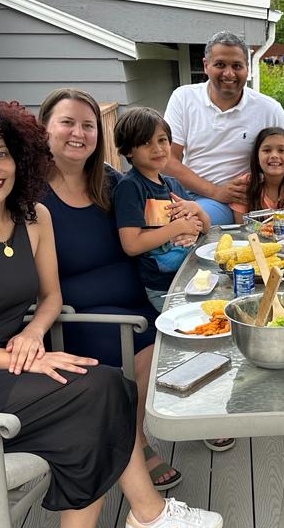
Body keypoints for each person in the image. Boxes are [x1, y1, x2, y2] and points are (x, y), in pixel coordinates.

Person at [0, 100, 223, 528]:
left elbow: (50, 297)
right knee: (98, 392)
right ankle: (150, 514)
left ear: (20, 155)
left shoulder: (33, 217)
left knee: (99, 400)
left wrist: (34, 333)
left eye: (1, 153)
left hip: (5, 374)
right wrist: (24, 358)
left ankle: (148, 514)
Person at [38, 89, 179, 491]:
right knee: (150, 350)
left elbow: (151, 219)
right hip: (80, 316)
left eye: (88, 125)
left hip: (139, 297)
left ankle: (187, 416)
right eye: (67, 122)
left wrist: (186, 213)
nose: (78, 133)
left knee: (196, 327)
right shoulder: (30, 195)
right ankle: (133, 443)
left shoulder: (111, 181)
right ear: (45, 129)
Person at [163, 31, 284, 226]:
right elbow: (168, 160)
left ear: (247, 69)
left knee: (186, 223)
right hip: (185, 192)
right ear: (206, 65)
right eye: (220, 64)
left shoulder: (268, 108)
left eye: (237, 66)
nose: (229, 73)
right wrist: (215, 190)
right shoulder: (184, 98)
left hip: (233, 202)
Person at [114, 106, 209, 313]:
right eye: (146, 142)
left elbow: (206, 227)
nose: (157, 148)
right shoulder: (131, 187)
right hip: (162, 286)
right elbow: (131, 244)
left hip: (191, 275)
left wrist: (196, 209)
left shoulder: (172, 185)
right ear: (128, 150)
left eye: (162, 140)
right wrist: (178, 227)